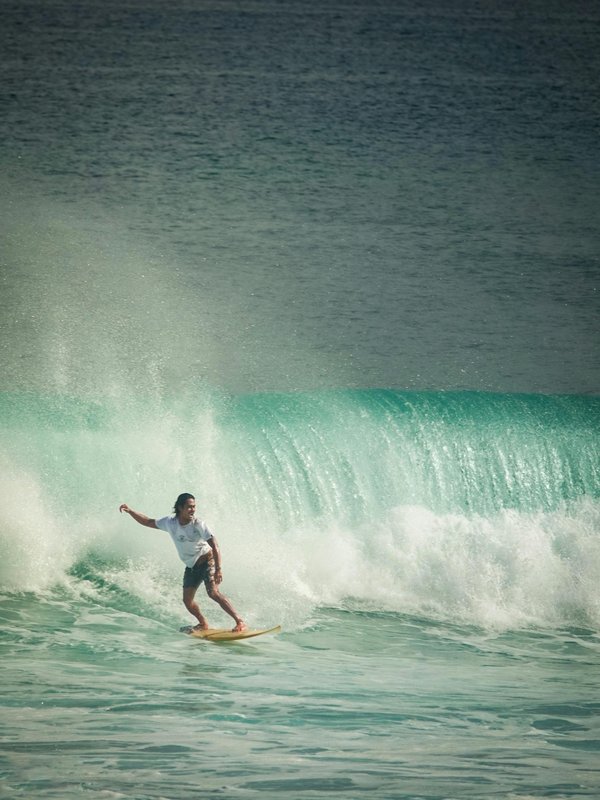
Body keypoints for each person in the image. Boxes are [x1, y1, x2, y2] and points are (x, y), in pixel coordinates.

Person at [119, 493, 246, 632]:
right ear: (180, 508)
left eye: (194, 507)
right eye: (189, 507)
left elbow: (215, 545)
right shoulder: (170, 522)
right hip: (191, 566)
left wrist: (218, 569)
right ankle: (203, 624)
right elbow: (148, 521)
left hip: (207, 561)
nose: (193, 510)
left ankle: (240, 621)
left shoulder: (198, 524)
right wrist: (130, 511)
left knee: (213, 592)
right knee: (187, 601)